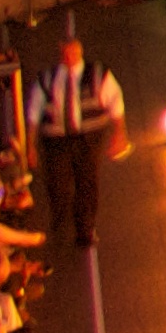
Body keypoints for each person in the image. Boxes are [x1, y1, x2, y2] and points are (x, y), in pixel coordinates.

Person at [32, 30, 117, 248]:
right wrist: (30, 147)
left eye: (74, 53)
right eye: (66, 53)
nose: (70, 57)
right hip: (57, 140)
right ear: (61, 53)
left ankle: (85, 229)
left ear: (80, 52)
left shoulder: (97, 74)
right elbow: (33, 113)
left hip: (88, 137)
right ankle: (61, 222)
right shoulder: (48, 79)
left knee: (87, 183)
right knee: (58, 184)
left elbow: (116, 104)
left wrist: (119, 133)